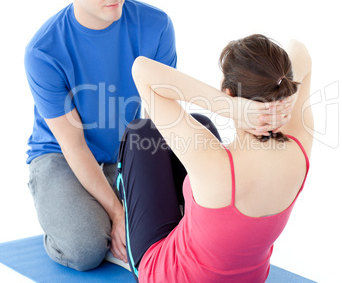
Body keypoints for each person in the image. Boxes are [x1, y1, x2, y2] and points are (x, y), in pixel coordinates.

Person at [24, 0, 180, 271]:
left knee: (180, 226)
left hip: (124, 152)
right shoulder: (43, 52)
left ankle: (105, 202)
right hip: (62, 157)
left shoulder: (157, 26)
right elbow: (73, 145)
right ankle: (63, 219)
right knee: (85, 248)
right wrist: (118, 213)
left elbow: (159, 120)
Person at [117, 34, 314, 282]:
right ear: (282, 91)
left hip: (165, 274)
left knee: (142, 132)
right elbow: (299, 50)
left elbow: (141, 70)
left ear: (228, 93)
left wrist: (229, 107)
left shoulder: (214, 163)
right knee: (202, 124)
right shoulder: (300, 146)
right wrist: (287, 100)